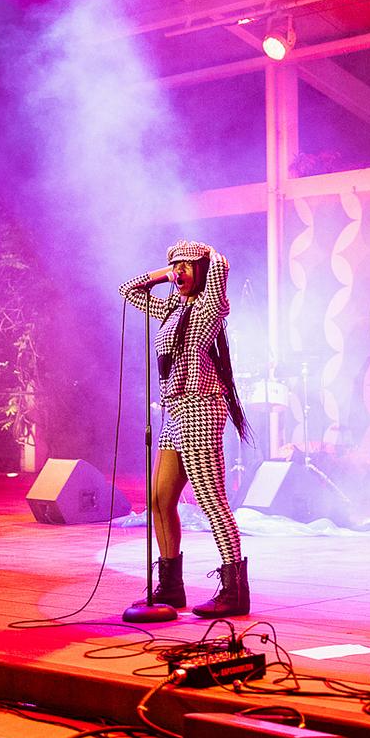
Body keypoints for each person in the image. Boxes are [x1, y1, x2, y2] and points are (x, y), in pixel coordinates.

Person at [119, 240, 252, 617]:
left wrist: (202, 258)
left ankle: (234, 589)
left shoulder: (210, 308)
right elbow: (127, 290)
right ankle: (171, 588)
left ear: (201, 270)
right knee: (160, 499)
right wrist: (167, 271)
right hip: (174, 412)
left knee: (211, 500)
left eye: (185, 266)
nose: (178, 272)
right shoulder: (170, 309)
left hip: (201, 407)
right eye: (174, 266)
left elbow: (222, 264)